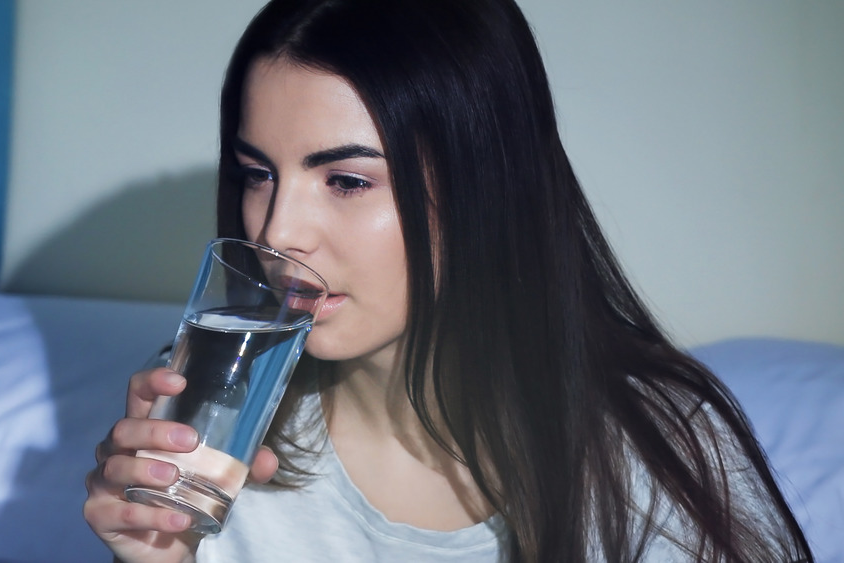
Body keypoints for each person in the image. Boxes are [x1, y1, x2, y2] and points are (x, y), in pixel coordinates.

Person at [84, 0, 814, 561]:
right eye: (256, 174)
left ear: (482, 184)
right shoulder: (212, 434)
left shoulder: (658, 449)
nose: (277, 233)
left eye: (344, 179)